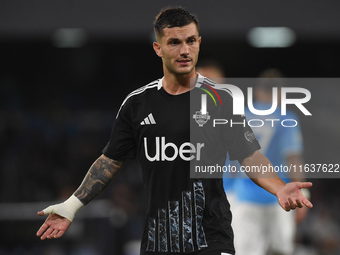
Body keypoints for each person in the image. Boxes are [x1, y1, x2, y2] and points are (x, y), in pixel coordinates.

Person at [36, 7, 313, 255]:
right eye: (175, 42)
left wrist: (279, 187)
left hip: (212, 238)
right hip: (160, 242)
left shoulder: (220, 100)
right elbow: (109, 161)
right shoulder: (137, 104)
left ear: (199, 43)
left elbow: (249, 155)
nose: (185, 50)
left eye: (191, 41)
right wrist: (72, 205)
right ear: (158, 48)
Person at [224, 69, 309, 255]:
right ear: (280, 92)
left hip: (243, 196)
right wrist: (304, 192)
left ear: (257, 91)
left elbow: (229, 161)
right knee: (281, 251)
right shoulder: (286, 119)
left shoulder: (239, 117)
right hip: (279, 197)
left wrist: (227, 193)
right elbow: (292, 158)